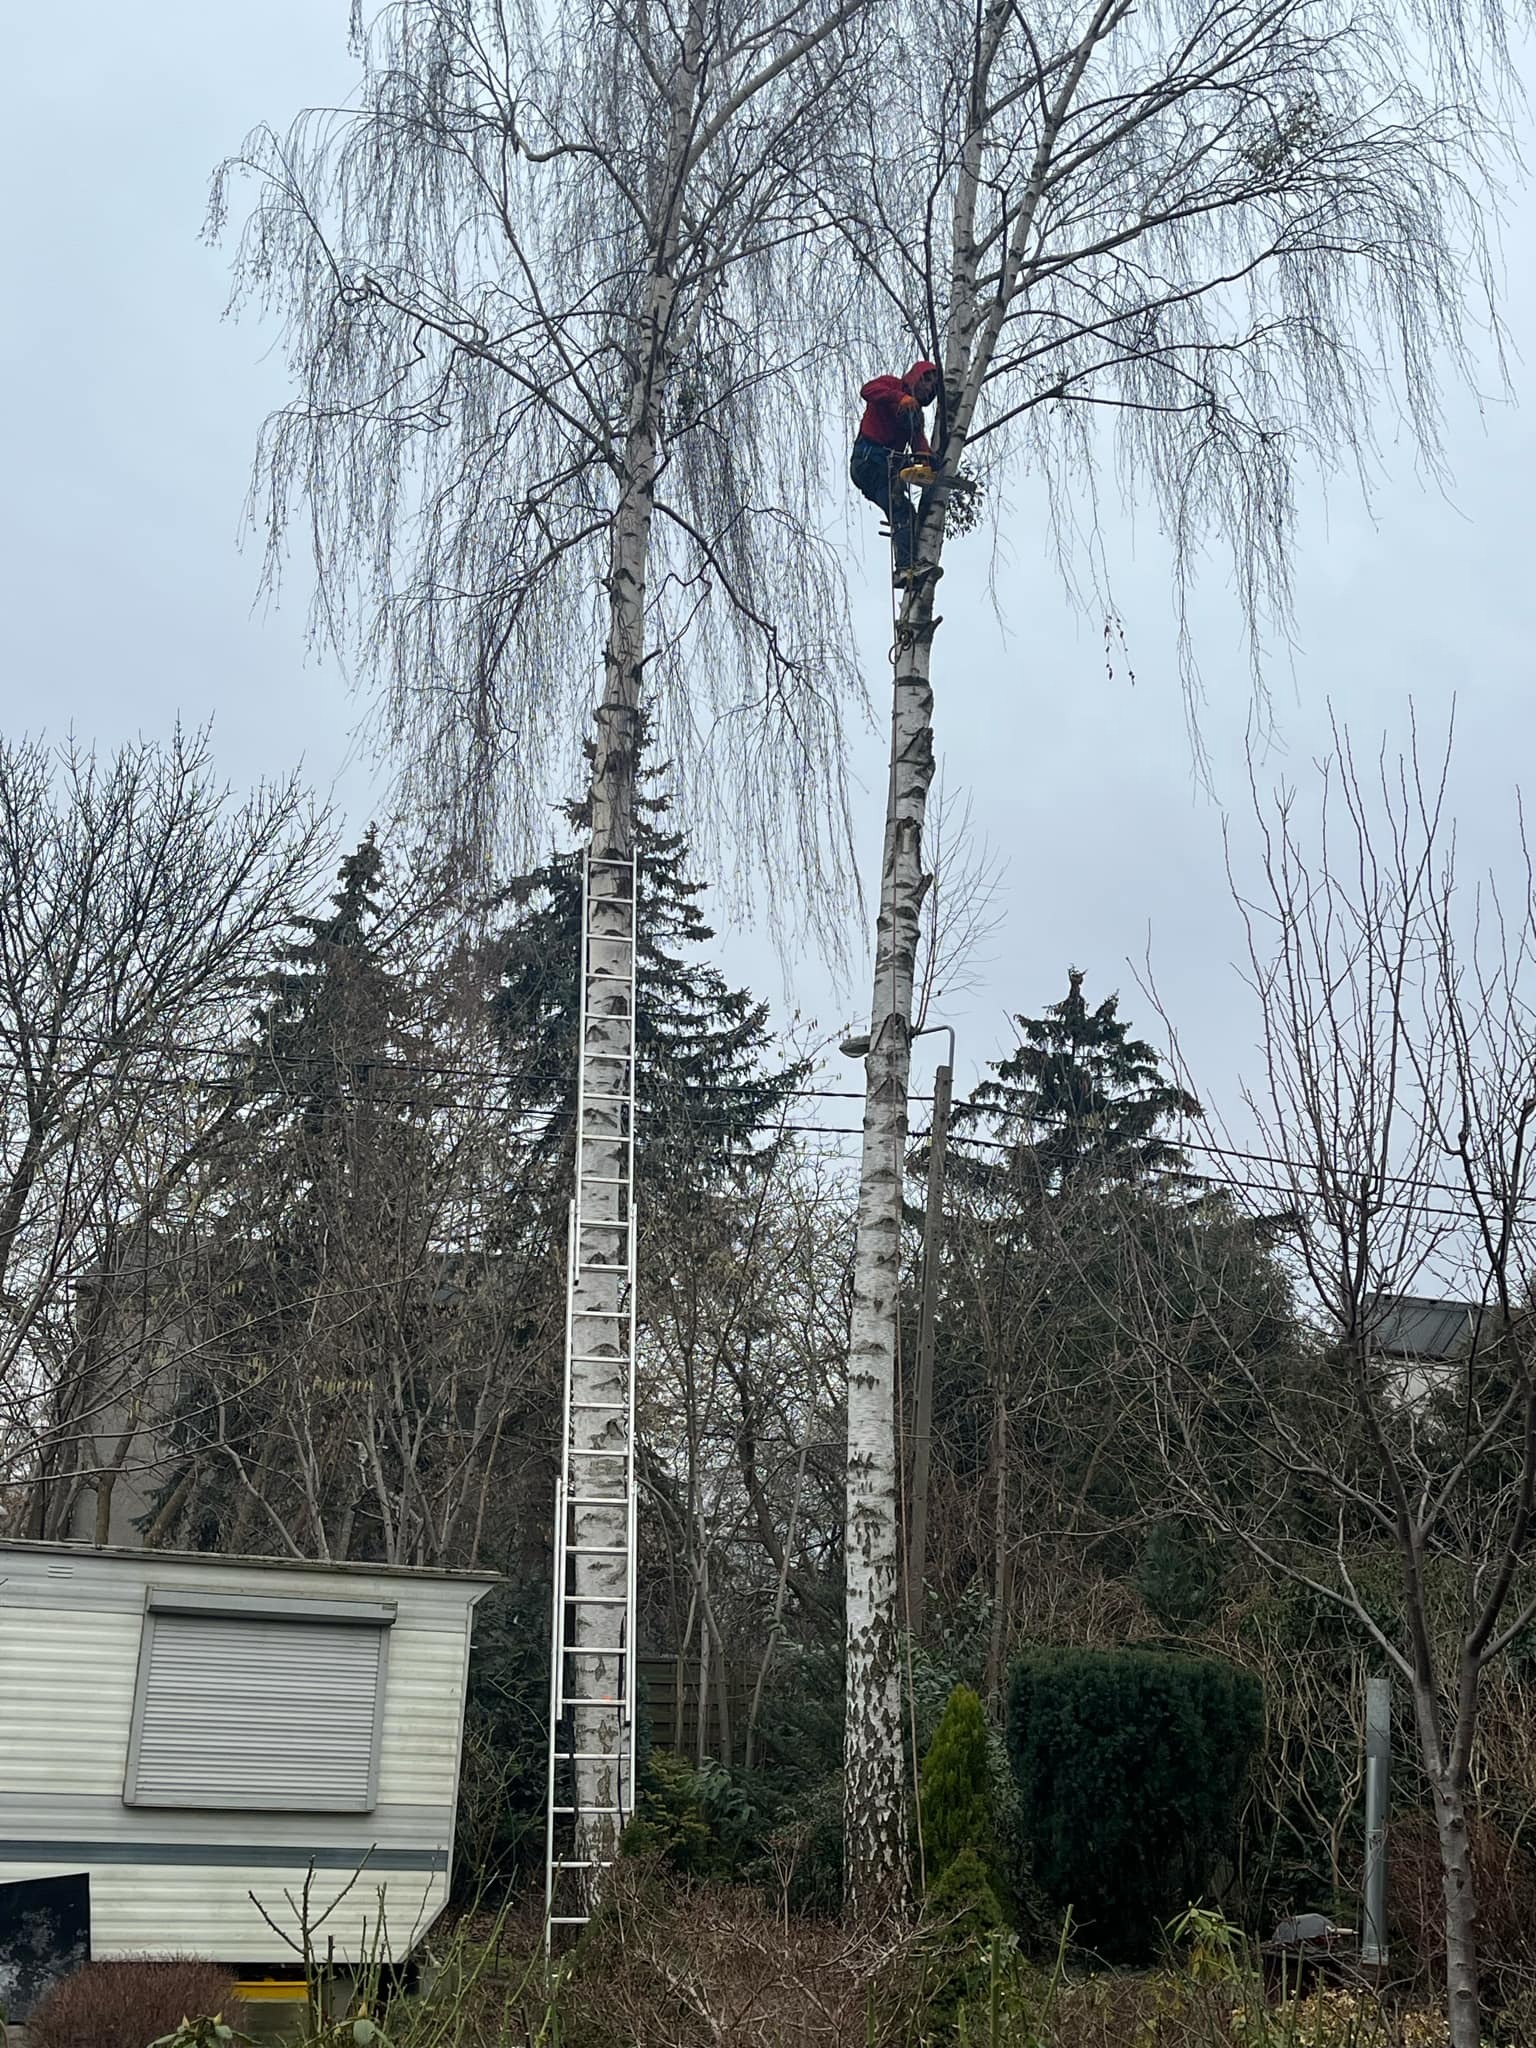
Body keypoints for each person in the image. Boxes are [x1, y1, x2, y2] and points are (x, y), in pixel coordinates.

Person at [850, 360, 943, 581]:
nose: (929, 387)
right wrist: (899, 397)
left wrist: (927, 459)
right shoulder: (891, 385)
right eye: (927, 380)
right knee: (899, 503)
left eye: (933, 386)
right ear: (916, 377)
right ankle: (905, 568)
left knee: (903, 513)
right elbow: (867, 390)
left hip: (884, 471)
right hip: (868, 461)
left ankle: (907, 567)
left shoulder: (914, 415)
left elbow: (918, 441)